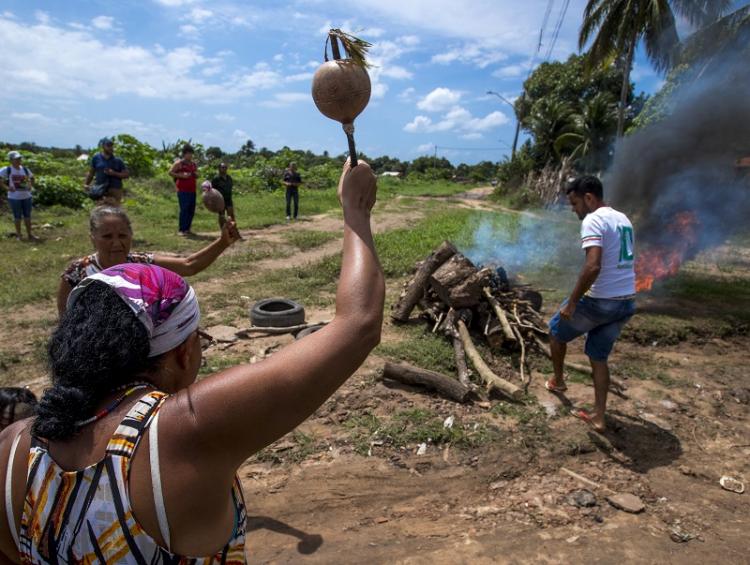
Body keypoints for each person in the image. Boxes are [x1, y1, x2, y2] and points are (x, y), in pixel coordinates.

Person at [0, 160, 383, 563]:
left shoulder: (13, 448)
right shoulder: (184, 429)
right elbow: (358, 325)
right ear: (182, 351)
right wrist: (355, 211)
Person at [546, 175, 636, 432]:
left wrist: (572, 302)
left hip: (601, 301)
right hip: (626, 302)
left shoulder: (593, 219)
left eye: (574, 204)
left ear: (588, 198)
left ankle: (558, 381)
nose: (574, 210)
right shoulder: (623, 218)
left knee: (555, 331)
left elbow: (593, 265)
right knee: (598, 357)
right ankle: (599, 416)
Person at [56, 206, 241, 315]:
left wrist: (223, 242)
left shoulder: (140, 262)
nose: (116, 243)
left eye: (122, 235)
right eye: (107, 236)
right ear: (93, 238)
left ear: (131, 235)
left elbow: (189, 265)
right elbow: (65, 322)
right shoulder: (77, 274)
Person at [1, 151, 38, 241]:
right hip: (14, 197)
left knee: (27, 216)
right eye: (16, 159)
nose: (19, 160)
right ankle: (19, 235)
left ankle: (30, 234)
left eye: (19, 158)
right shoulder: (7, 169)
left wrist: (30, 185)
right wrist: (7, 188)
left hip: (26, 196)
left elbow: (32, 178)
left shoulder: (24, 169)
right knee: (17, 216)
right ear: (11, 160)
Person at [84, 138, 129, 206]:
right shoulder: (96, 158)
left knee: (115, 211)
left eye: (111, 146)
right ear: (103, 146)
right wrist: (86, 184)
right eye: (108, 146)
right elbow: (91, 173)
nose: (111, 148)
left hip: (115, 189)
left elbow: (126, 175)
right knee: (100, 210)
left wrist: (114, 173)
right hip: (99, 189)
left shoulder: (118, 160)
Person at [169, 144, 198, 236]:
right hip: (182, 190)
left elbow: (195, 173)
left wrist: (196, 175)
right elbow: (170, 172)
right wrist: (181, 176)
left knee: (191, 210)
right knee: (184, 209)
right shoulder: (179, 163)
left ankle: (187, 229)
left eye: (191, 153)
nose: (190, 155)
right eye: (188, 153)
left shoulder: (193, 164)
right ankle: (182, 229)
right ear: (184, 154)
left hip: (192, 190)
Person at [211, 162, 235, 229]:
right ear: (219, 169)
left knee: (231, 215)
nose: (224, 169)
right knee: (222, 215)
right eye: (222, 167)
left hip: (228, 199)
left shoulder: (229, 178)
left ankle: (233, 230)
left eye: (225, 167)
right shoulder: (216, 179)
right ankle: (223, 230)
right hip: (220, 200)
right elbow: (212, 190)